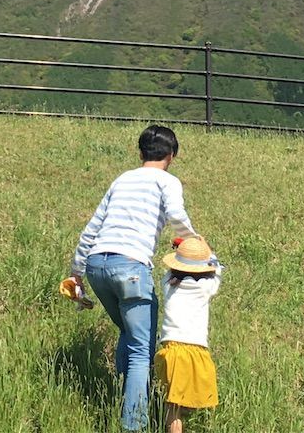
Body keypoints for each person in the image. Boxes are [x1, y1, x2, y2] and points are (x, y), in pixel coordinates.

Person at [70, 124, 198, 432]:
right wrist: (196, 242)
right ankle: (134, 425)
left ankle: (120, 395)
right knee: (142, 350)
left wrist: (76, 273)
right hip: (131, 268)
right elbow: (176, 215)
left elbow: (92, 228)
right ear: (172, 155)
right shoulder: (167, 181)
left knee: (129, 332)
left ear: (140, 153)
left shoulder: (123, 179)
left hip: (97, 266)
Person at [155, 236, 222, 433]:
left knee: (173, 405)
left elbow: (170, 270)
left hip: (171, 350)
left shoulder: (168, 284)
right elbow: (217, 269)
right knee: (189, 400)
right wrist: (207, 250)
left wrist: (181, 251)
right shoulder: (205, 287)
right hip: (195, 350)